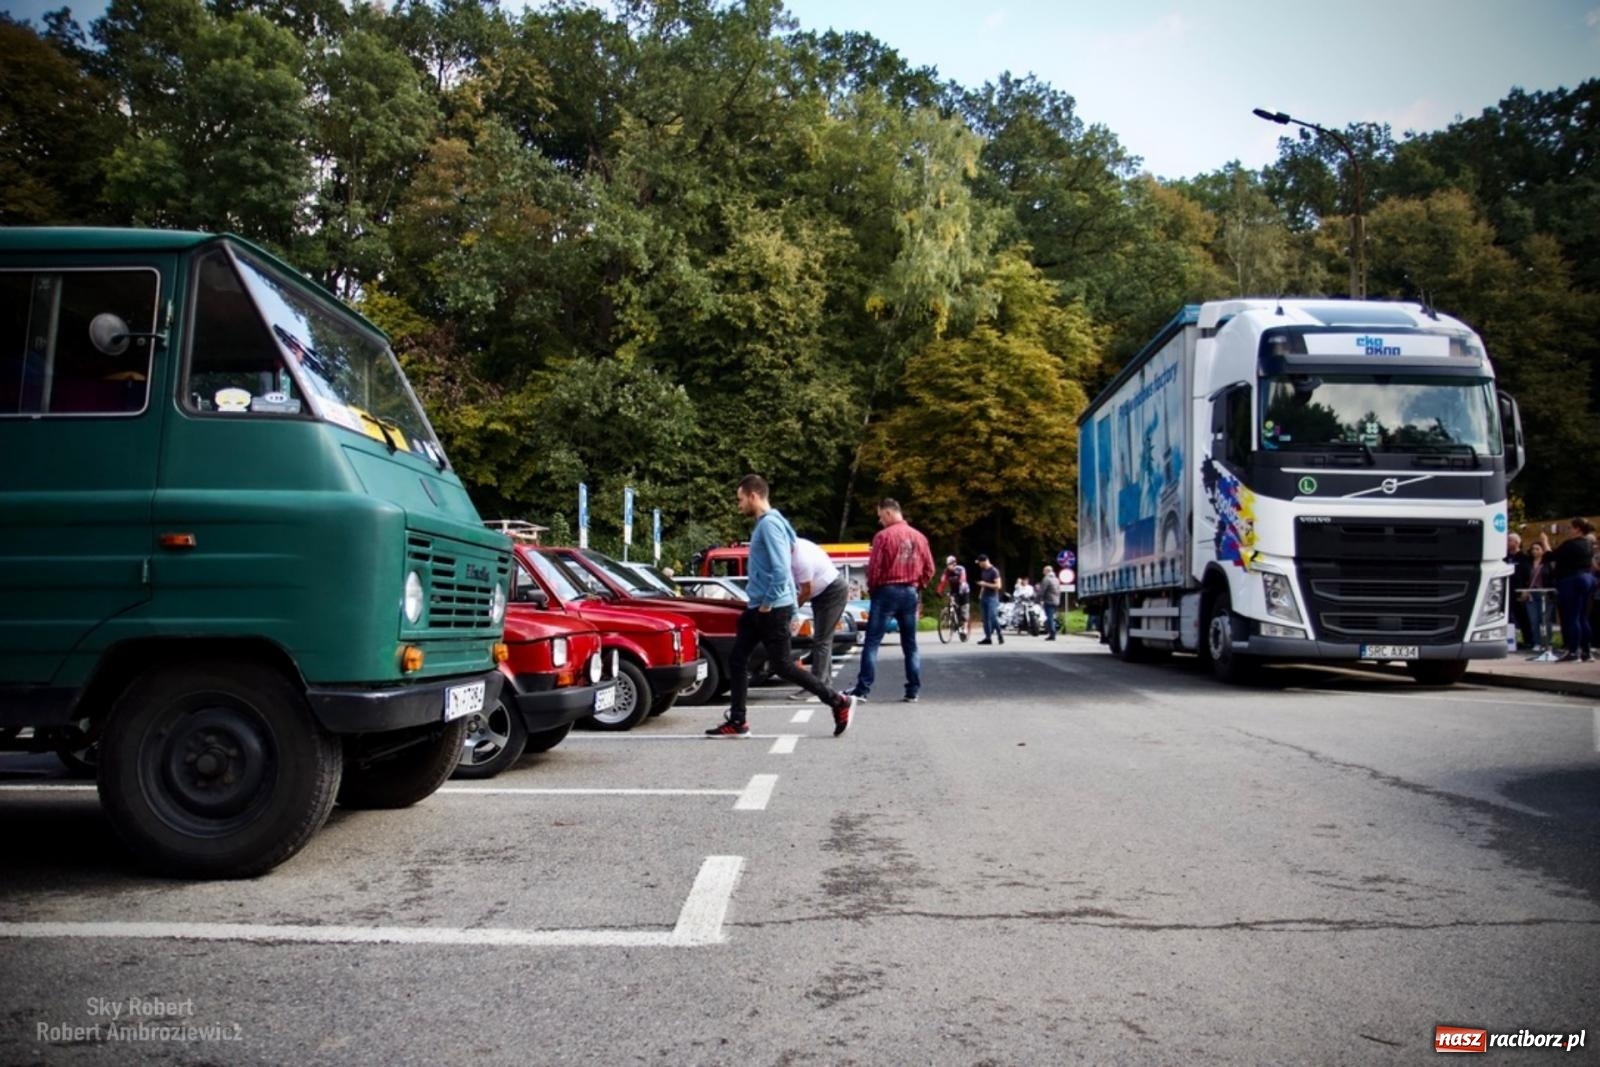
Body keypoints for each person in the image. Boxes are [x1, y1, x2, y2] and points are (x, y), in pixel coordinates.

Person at [706, 475, 855, 737]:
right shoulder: (770, 523)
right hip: (761, 607)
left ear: (754, 496)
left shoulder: (770, 525)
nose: (738, 505)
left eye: (740, 499)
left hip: (771, 608)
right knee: (738, 659)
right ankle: (738, 721)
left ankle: (837, 701)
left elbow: (780, 569)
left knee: (783, 665)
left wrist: (767, 604)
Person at [845, 498, 935, 703]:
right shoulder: (920, 537)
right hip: (910, 591)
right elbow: (929, 568)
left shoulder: (883, 537)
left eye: (880, 516)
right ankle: (912, 690)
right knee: (910, 644)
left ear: (888, 513)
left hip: (886, 591)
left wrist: (873, 589)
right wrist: (918, 585)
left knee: (872, 642)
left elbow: (875, 569)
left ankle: (863, 689)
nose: (879, 521)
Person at [787, 536, 850, 699]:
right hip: (823, 592)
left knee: (821, 640)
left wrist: (792, 611)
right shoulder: (795, 547)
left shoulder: (800, 558)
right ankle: (823, 684)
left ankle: (816, 687)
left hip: (831, 591)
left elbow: (806, 590)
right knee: (822, 640)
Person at [1550, 517, 1596, 663]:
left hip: (1571, 580)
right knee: (1582, 616)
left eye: (1570, 528)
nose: (1569, 530)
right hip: (1587, 578)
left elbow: (1550, 556)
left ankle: (1573, 651)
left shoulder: (1570, 544)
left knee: (1571, 616)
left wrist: (1545, 542)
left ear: (1577, 529)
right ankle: (1587, 652)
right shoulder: (1588, 544)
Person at [1506, 533, 1532, 649]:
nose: (1507, 543)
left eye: (1509, 541)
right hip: (1506, 590)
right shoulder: (1505, 557)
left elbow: (1527, 575)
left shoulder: (1523, 557)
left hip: (1518, 590)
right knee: (1507, 616)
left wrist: (1525, 589)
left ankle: (1528, 640)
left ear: (1517, 543)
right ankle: (1509, 640)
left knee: (1522, 617)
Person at [935, 555, 971, 641]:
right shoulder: (946, 571)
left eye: (950, 564)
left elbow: (963, 579)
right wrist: (938, 591)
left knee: (964, 609)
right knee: (952, 604)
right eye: (947, 564)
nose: (948, 566)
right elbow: (942, 582)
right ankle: (952, 618)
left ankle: (964, 629)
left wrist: (961, 588)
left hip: (964, 591)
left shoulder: (961, 569)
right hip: (954, 591)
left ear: (954, 564)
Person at [975, 553, 1003, 645]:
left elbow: (998, 586)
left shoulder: (994, 571)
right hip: (984, 596)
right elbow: (984, 584)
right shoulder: (983, 571)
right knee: (985, 618)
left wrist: (985, 584)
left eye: (979, 562)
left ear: (984, 561)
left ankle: (1000, 634)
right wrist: (980, 594)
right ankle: (988, 637)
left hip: (992, 597)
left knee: (993, 617)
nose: (979, 564)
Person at [1038, 564, 1061, 641]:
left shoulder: (1046, 579)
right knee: (1052, 617)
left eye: (1044, 570)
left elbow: (1042, 590)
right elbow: (1058, 590)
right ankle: (1052, 632)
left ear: (1047, 571)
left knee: (1050, 618)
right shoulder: (1056, 579)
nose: (1043, 572)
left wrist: (1038, 599)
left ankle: (1052, 634)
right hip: (1056, 601)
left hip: (1049, 600)